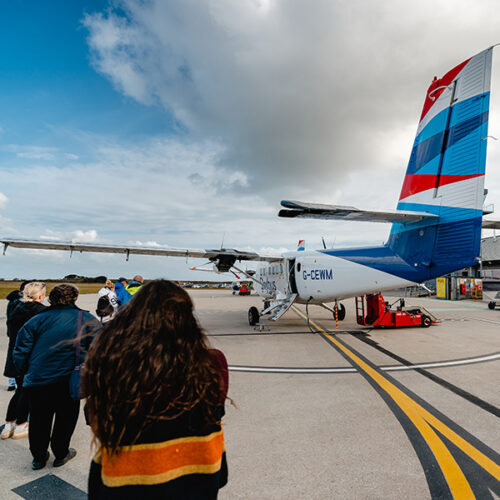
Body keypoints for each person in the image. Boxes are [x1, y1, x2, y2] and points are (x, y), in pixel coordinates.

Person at [84, 280, 229, 499]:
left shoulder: (113, 360)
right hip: (198, 474)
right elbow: (217, 408)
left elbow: (94, 417)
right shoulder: (213, 361)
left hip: (127, 481)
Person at [13, 284, 97, 470]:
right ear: (75, 298)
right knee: (66, 418)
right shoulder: (87, 319)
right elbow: (100, 350)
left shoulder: (37, 320)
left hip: (39, 378)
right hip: (70, 379)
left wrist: (25, 371)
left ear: (50, 298)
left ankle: (38, 457)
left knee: (38, 418)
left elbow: (20, 350)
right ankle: (61, 453)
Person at [2, 282, 47, 440]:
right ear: (40, 296)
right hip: (31, 357)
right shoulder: (41, 312)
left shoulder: (14, 307)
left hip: (15, 354)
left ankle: (9, 424)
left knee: (20, 390)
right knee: (26, 391)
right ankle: (21, 424)